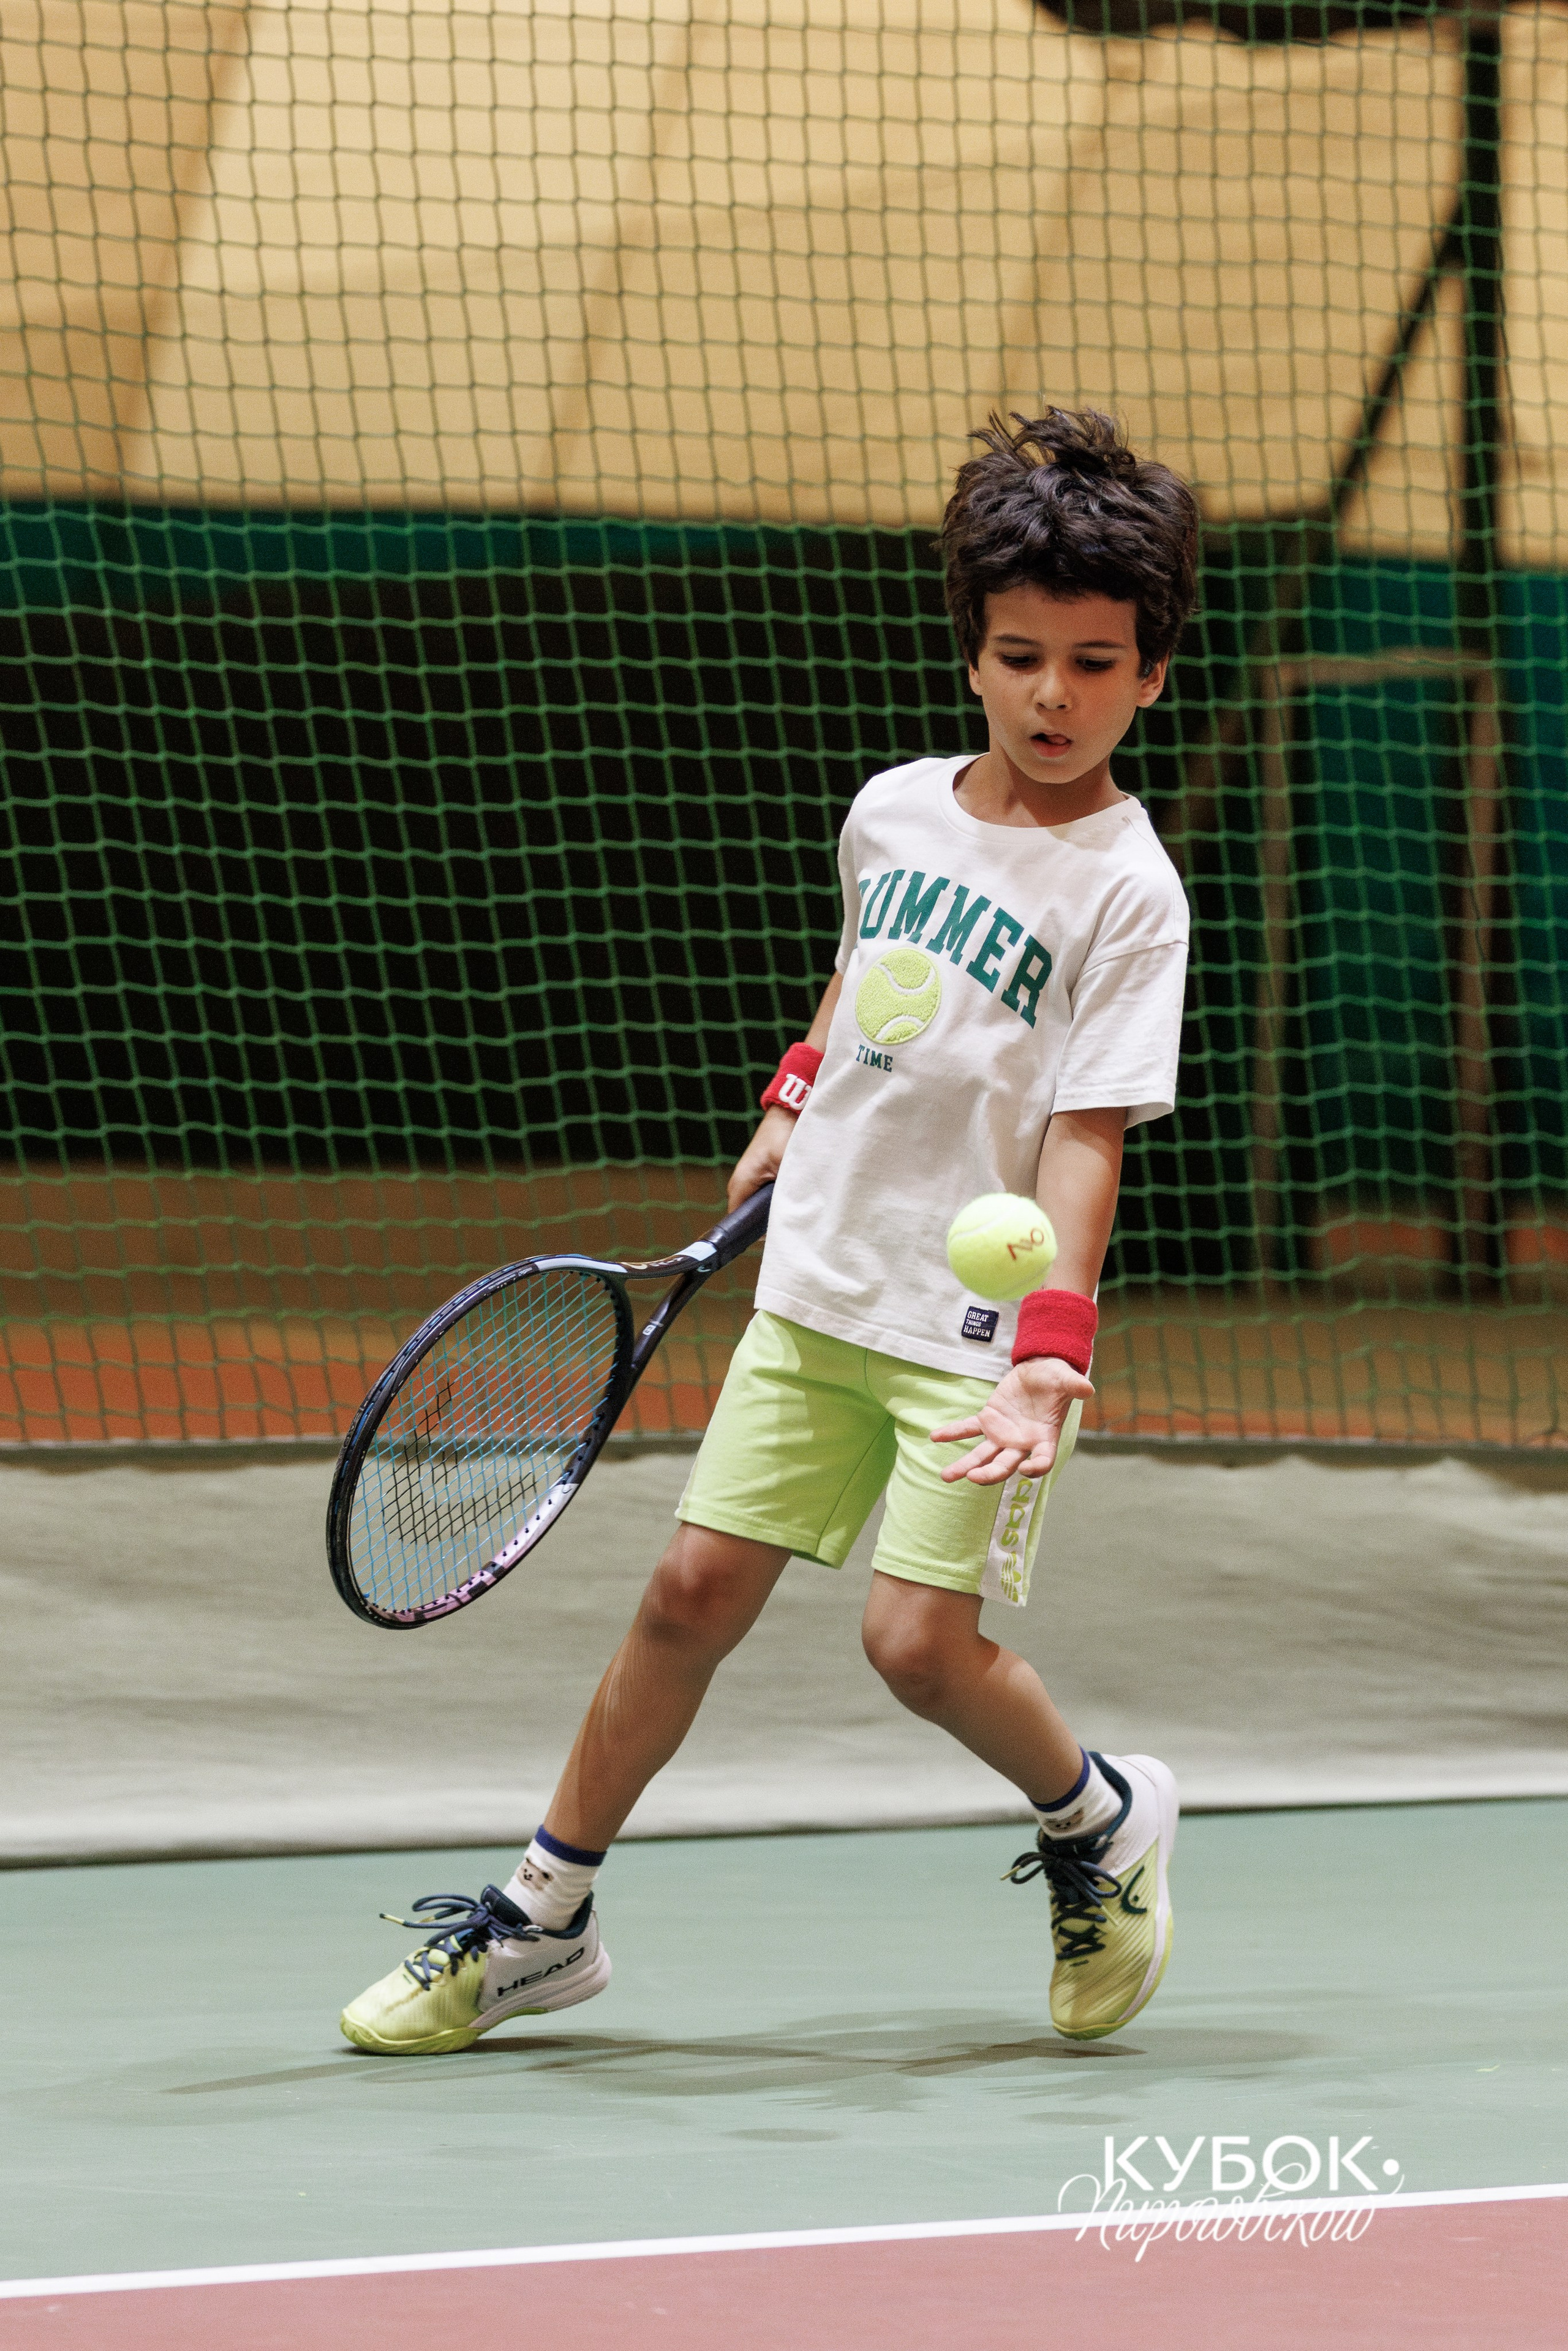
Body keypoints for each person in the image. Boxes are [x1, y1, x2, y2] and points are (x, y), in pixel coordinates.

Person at [340, 407, 1200, 2056]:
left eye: (1096, 665)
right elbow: (869, 974)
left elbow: (1086, 1137)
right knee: (683, 1595)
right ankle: (541, 1917)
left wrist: (1047, 1360)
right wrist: (794, 1102)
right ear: (974, 655)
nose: (1053, 696)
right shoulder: (893, 812)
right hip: (815, 1288)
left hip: (970, 1343)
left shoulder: (1126, 891)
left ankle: (1097, 1814)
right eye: (1022, 656)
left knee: (916, 1648)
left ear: (1151, 675)